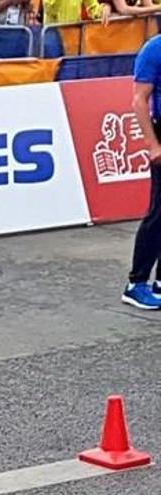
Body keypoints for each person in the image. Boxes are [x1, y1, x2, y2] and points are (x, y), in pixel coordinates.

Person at [123, 35, 161, 309]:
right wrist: (153, 144)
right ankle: (136, 283)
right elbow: (139, 101)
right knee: (159, 212)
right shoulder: (154, 49)